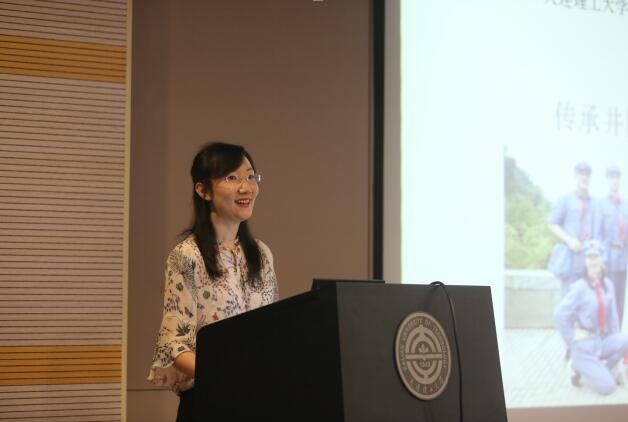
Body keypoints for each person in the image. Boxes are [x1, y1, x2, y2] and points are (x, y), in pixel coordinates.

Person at [147, 142, 279, 421]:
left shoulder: (261, 254)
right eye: (232, 177)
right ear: (203, 190)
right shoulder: (187, 256)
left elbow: (272, 330)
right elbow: (174, 344)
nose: (246, 187)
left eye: (250, 176)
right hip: (210, 401)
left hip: (259, 400)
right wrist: (225, 375)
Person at [554, 240, 628, 395]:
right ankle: (578, 364)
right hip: (584, 345)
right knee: (608, 388)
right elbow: (560, 314)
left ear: (602, 258)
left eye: (596, 256)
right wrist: (572, 339)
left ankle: (598, 368)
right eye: (589, 257)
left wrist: (615, 344)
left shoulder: (607, 284)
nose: (593, 261)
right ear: (585, 261)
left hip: (600, 340)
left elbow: (613, 318)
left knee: (624, 340)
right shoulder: (580, 287)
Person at [548, 162, 596, 297]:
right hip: (571, 259)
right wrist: (569, 240)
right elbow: (552, 224)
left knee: (587, 302)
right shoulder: (566, 199)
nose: (584, 177)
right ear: (576, 176)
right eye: (581, 174)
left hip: (589, 261)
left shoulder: (594, 202)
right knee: (568, 300)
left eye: (587, 175)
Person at [596, 166, 628, 325]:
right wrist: (600, 259)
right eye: (611, 177)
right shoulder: (601, 204)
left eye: (617, 177)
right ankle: (605, 334)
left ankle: (617, 335)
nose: (614, 181)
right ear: (607, 180)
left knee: (620, 301)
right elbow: (597, 234)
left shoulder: (625, 204)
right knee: (607, 299)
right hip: (607, 260)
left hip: (623, 260)